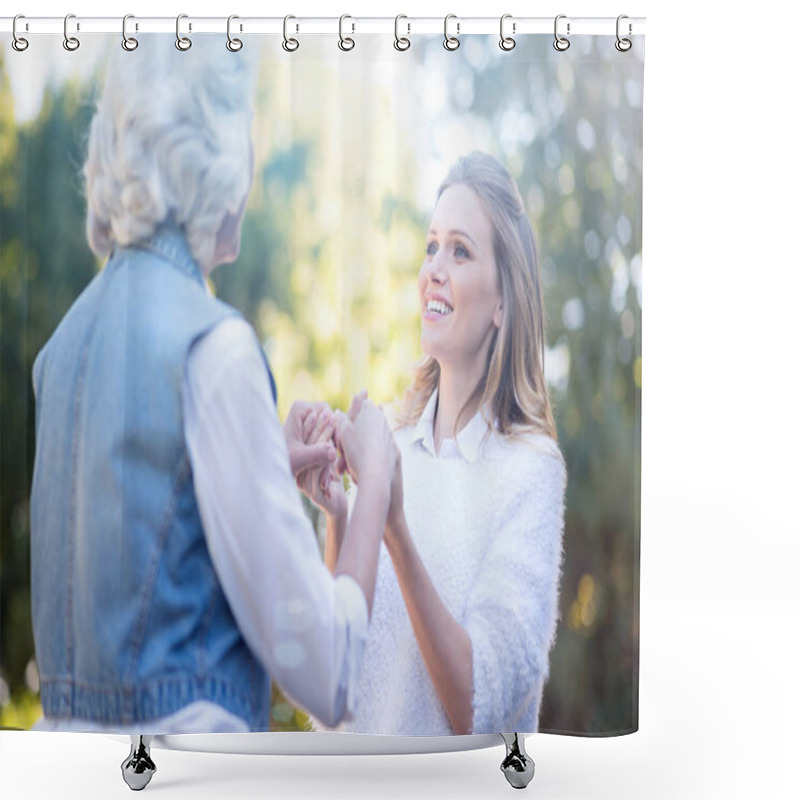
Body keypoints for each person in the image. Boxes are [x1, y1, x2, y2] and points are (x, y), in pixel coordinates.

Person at [29, 39, 396, 734]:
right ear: (221, 157)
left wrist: (259, 460)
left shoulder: (60, 352)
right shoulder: (215, 349)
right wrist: (374, 480)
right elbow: (330, 673)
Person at [301, 152, 566, 735]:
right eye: (431, 247)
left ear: (503, 301)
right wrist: (340, 515)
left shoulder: (531, 473)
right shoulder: (390, 444)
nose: (434, 270)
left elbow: (479, 705)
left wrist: (392, 523)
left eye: (461, 250)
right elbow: (331, 686)